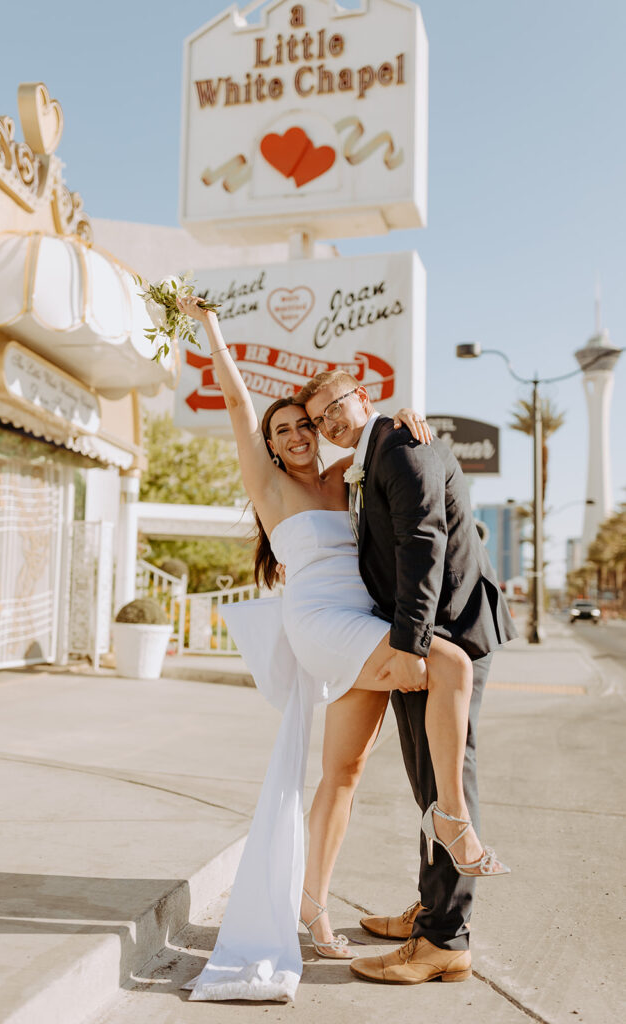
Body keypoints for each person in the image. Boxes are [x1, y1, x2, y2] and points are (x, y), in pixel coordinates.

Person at [178, 296, 509, 1003]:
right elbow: (238, 402)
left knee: (345, 772)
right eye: (286, 429)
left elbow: (398, 472)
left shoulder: (347, 476)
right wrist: (206, 326)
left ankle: (313, 906)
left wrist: (403, 422)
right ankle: (452, 820)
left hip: (367, 623)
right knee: (445, 663)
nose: (300, 434)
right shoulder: (269, 485)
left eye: (308, 423)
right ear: (269, 444)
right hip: (325, 625)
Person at [299, 370, 518, 986]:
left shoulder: (399, 444)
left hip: (442, 637)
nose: (329, 424)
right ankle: (433, 912)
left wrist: (412, 649)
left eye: (335, 409)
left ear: (362, 398)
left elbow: (423, 544)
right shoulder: (375, 450)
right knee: (429, 782)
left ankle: (444, 939)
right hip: (415, 639)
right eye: (319, 419)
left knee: (448, 783)